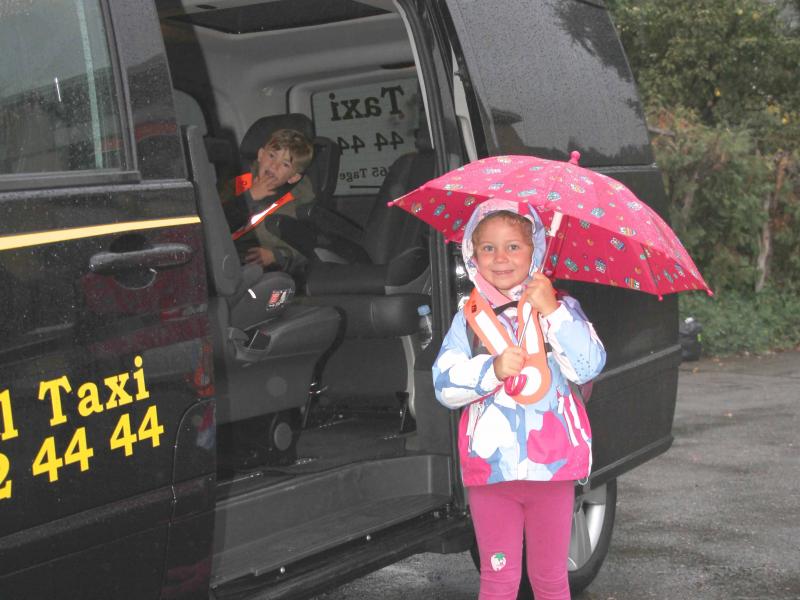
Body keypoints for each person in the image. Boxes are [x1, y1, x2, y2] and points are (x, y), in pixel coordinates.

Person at [432, 199, 606, 600]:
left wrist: (554, 313)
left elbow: (589, 365)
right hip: (492, 473)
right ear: (472, 255)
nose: (501, 257)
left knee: (549, 579)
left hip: (553, 470)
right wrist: (490, 370)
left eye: (514, 246)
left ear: (536, 251)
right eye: (488, 247)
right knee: (497, 581)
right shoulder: (469, 317)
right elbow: (444, 385)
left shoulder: (560, 308)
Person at [221, 128, 314, 277]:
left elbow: (306, 247)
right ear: (260, 155)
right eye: (271, 156)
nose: (273, 166)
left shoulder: (298, 203)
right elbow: (214, 223)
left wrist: (276, 255)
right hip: (222, 258)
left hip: (262, 271)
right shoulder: (234, 185)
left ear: (293, 177)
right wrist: (249, 197)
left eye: (285, 165)